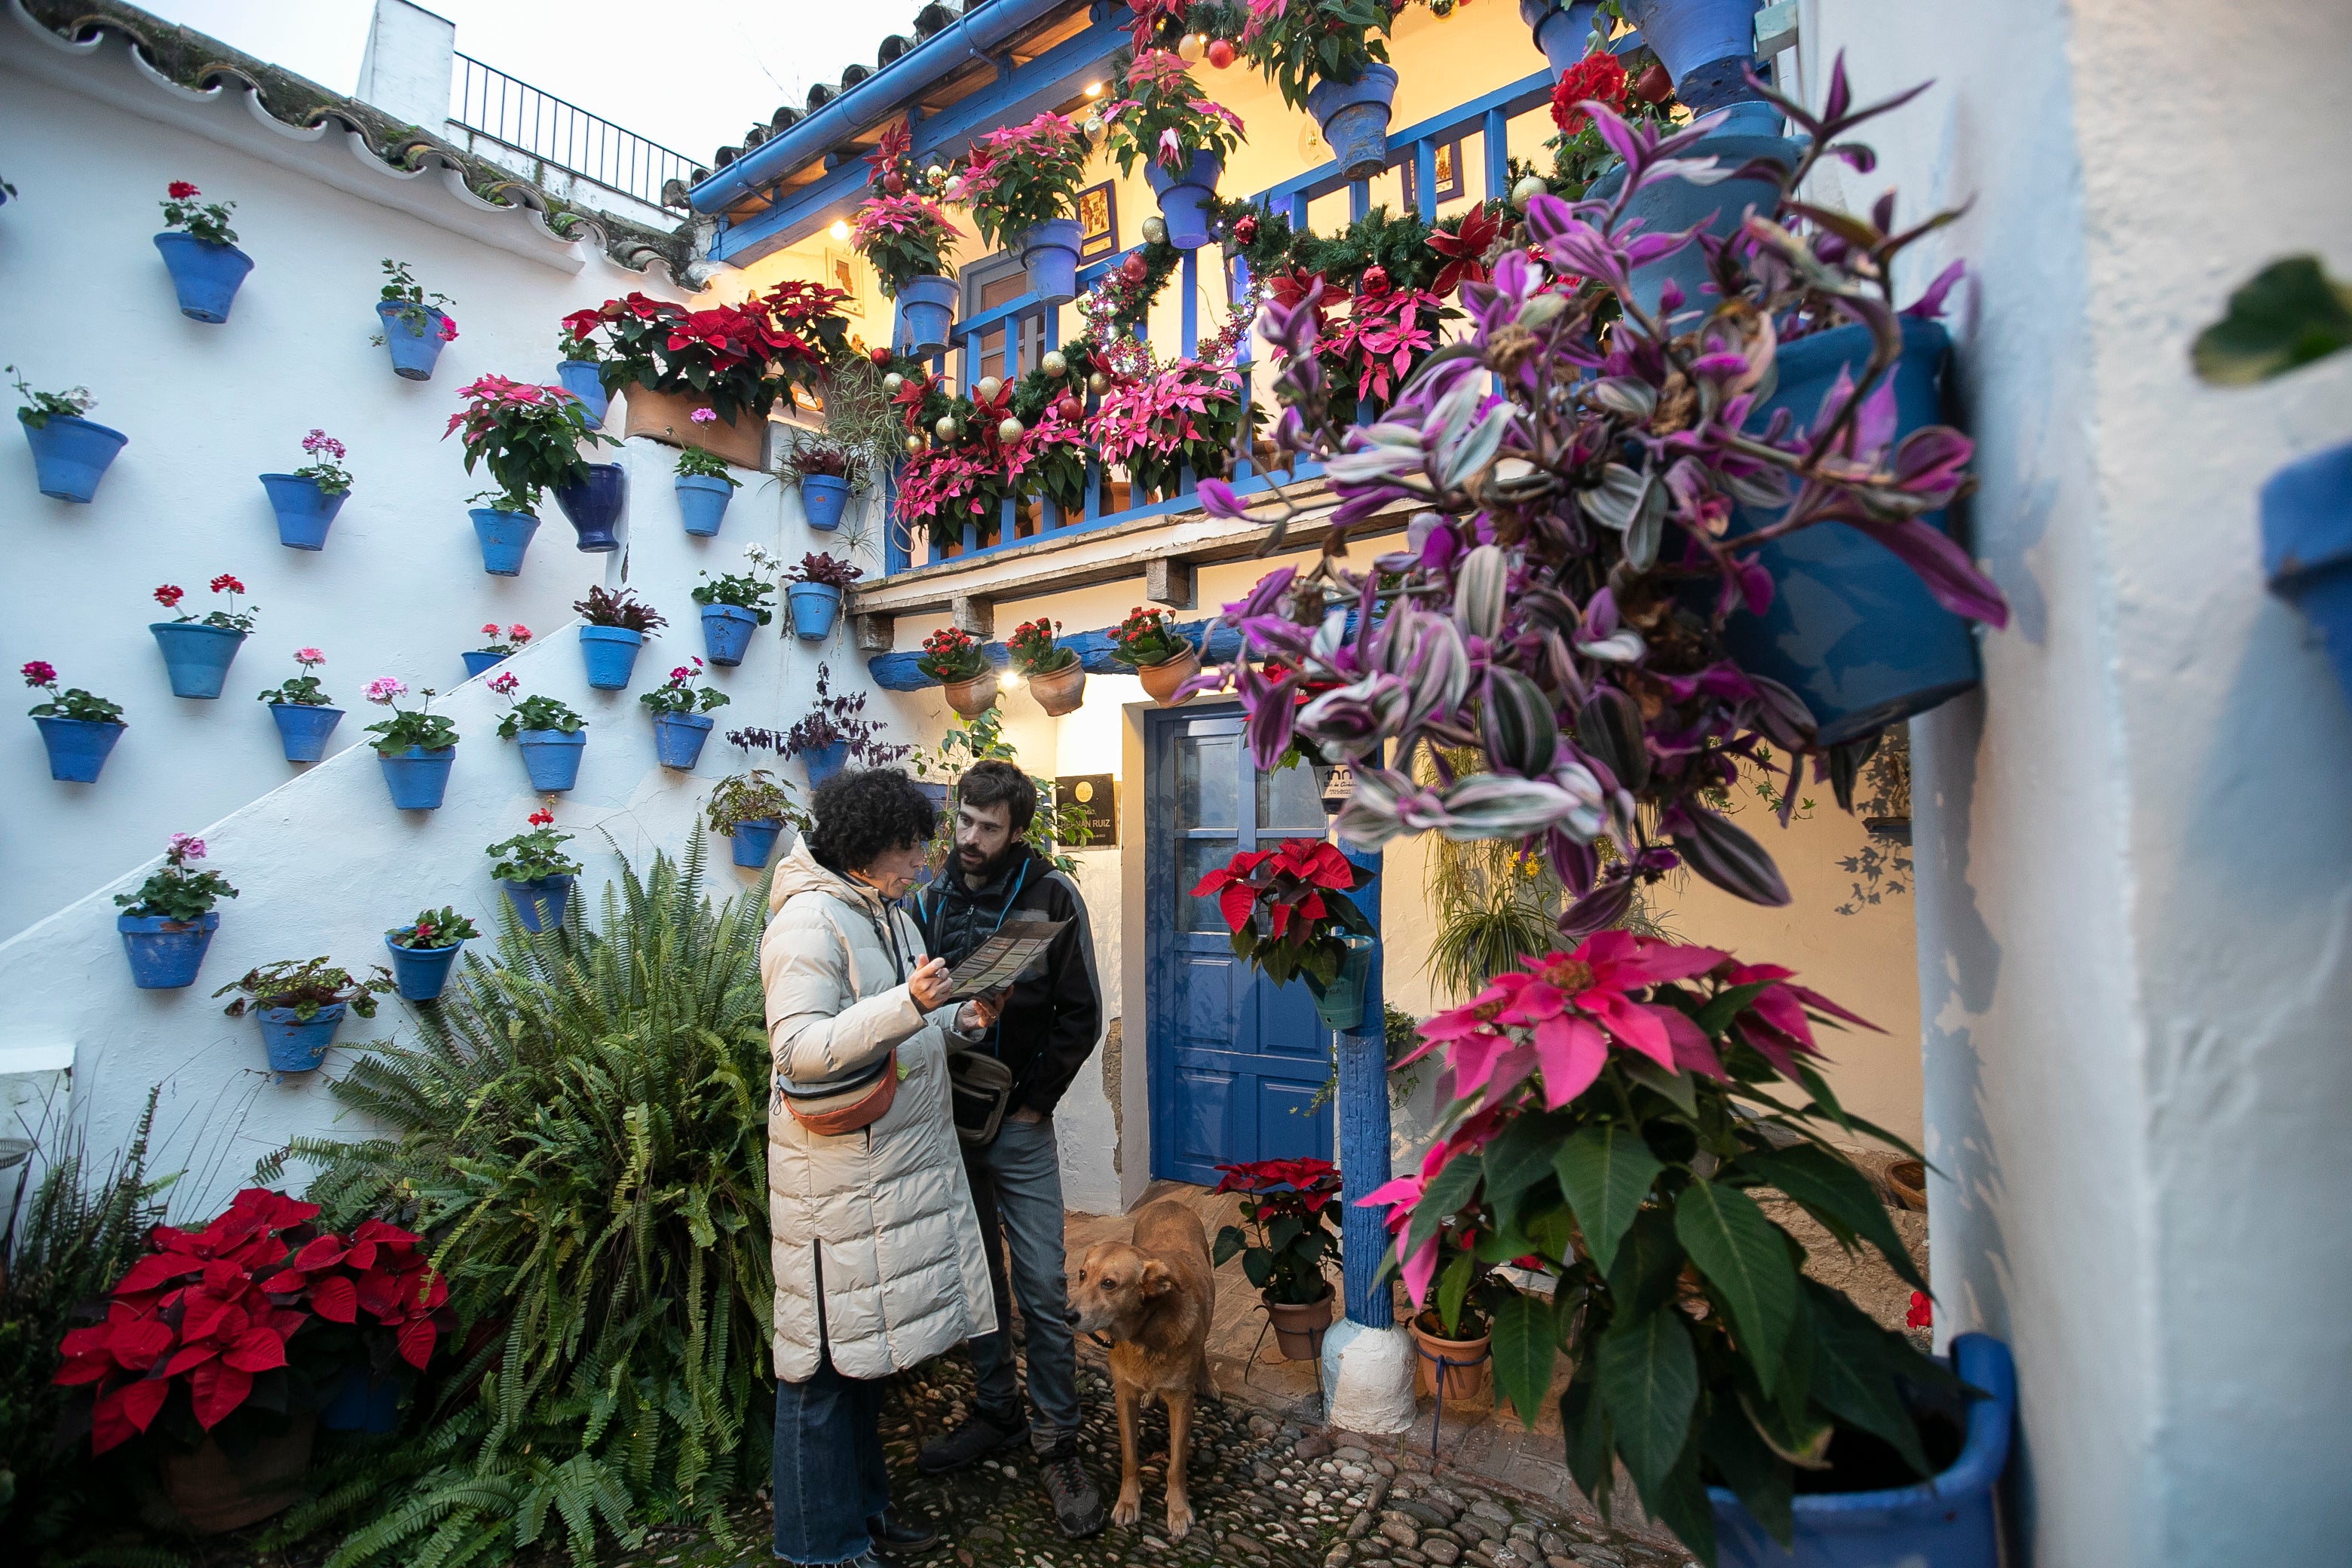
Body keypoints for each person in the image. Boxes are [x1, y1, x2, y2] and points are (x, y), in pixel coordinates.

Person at [764, 768, 1004, 1568]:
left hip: (880, 1177)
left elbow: (902, 1027)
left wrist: (957, 1018)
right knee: (820, 1373)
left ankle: (861, 1518)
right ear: (867, 850)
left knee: (859, 1365)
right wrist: (907, 1004)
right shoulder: (806, 921)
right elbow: (797, 1049)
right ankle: (816, 1548)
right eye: (909, 849)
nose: (921, 863)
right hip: (833, 1186)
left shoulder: (885, 912)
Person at [909, 760, 1106, 1537]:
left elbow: (1082, 1013)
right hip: (945, 1121)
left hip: (1018, 1125)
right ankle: (998, 1410)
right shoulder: (929, 896)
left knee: (1039, 1282)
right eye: (964, 822)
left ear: (1018, 830)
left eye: (989, 827)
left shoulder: (1051, 896)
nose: (970, 839)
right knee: (972, 1276)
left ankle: (1058, 1437)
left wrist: (1034, 1101)